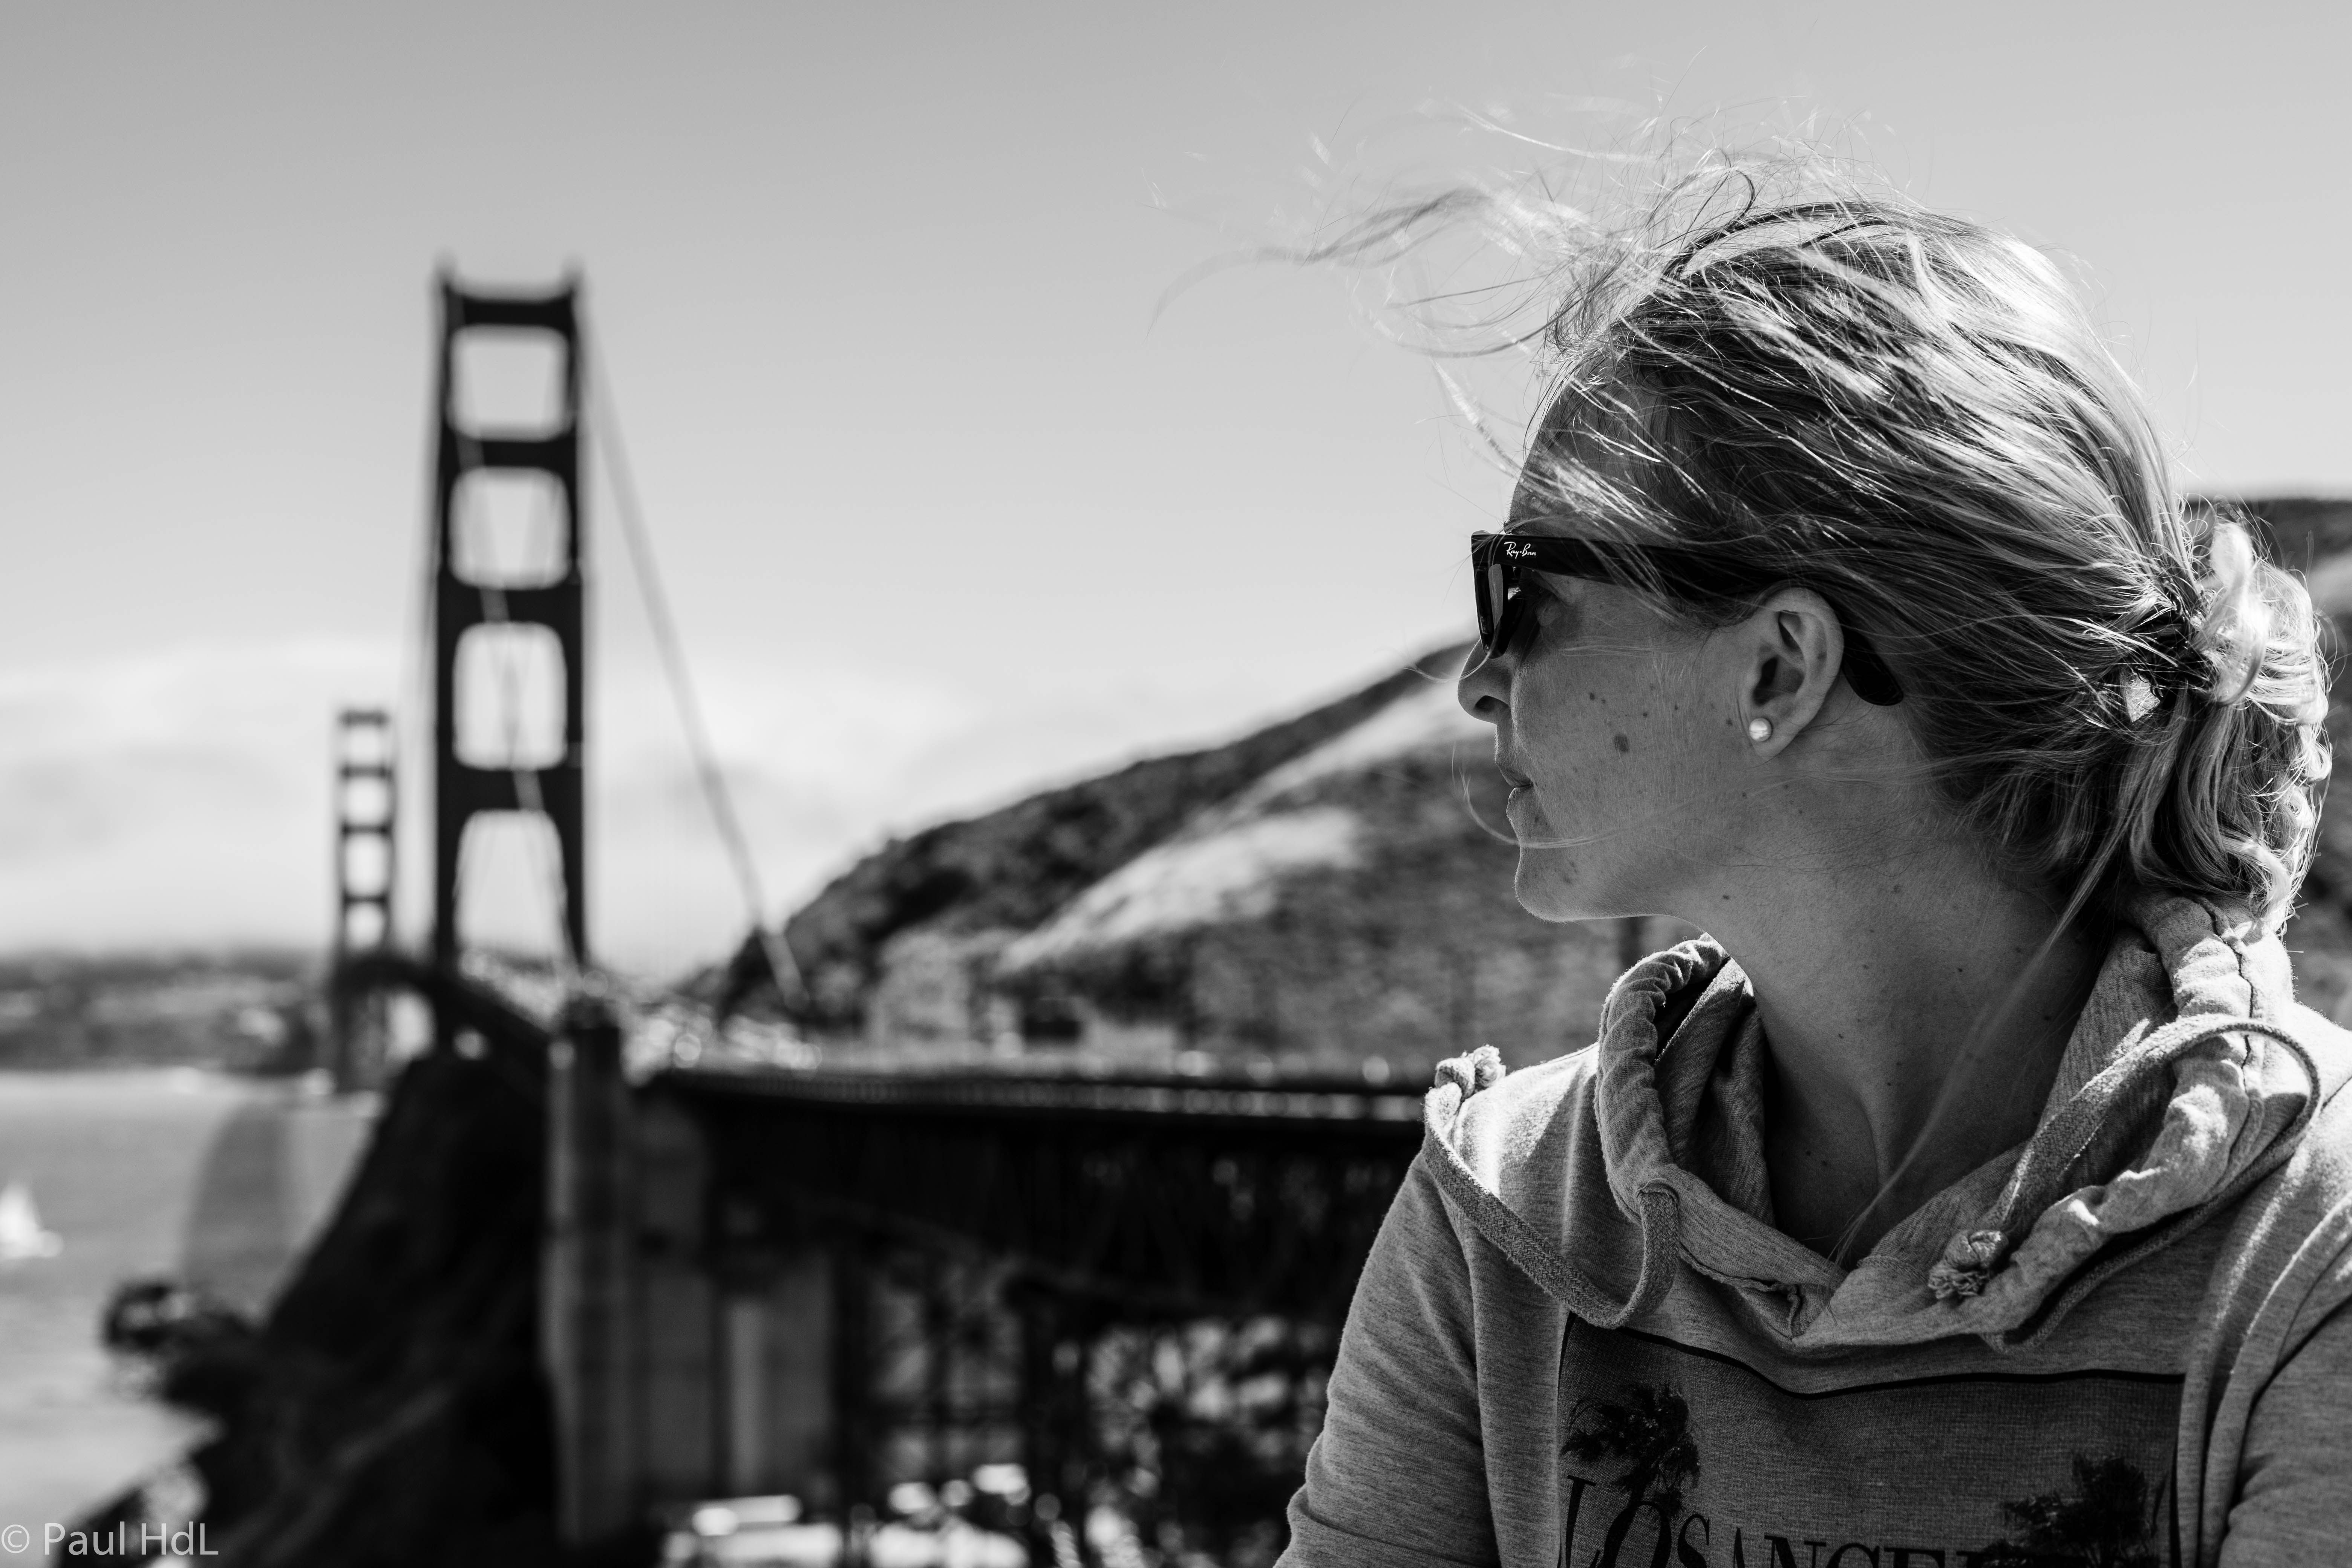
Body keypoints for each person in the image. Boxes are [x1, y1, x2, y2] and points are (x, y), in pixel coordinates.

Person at [1280, 175, 2351, 1568]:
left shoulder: (2304, 1247)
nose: (1482, 677)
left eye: (1525, 589)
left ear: (1780, 668)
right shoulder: (1513, 1206)